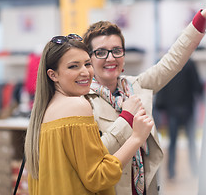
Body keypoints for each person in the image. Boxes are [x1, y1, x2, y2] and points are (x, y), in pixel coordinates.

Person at [82, 1, 206, 195]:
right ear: (89, 59)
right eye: (101, 52)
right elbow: (94, 159)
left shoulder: (135, 86)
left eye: (117, 51)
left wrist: (203, 18)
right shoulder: (84, 102)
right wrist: (126, 117)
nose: (110, 58)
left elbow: (174, 59)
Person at [24, 34, 154, 195]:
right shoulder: (77, 106)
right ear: (53, 75)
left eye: (87, 64)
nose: (85, 72)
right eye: (73, 66)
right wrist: (136, 138)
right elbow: (98, 177)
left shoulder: (44, 112)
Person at [155, 58, 204, 179]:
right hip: (188, 109)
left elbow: (162, 86)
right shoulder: (190, 63)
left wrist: (161, 106)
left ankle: (171, 172)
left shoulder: (169, 63)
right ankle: (195, 170)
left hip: (172, 110)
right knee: (191, 142)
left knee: (172, 142)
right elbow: (196, 86)